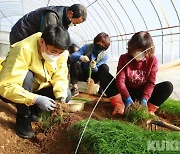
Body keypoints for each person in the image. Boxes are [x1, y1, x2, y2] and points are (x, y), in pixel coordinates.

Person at [0, 25, 71, 139]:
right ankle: (24, 118)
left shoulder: (62, 53)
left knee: (66, 93)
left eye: (60, 53)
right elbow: (6, 86)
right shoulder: (23, 49)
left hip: (40, 86)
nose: (56, 56)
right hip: (19, 87)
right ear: (42, 42)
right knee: (26, 77)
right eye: (53, 51)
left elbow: (61, 75)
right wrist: (36, 99)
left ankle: (35, 112)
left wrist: (61, 96)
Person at [100, 31, 173, 115]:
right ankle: (119, 105)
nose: (138, 53)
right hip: (124, 92)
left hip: (141, 93)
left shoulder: (153, 60)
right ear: (131, 48)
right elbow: (120, 80)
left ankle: (147, 110)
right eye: (135, 50)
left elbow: (150, 82)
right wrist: (127, 97)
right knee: (104, 75)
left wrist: (145, 99)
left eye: (142, 51)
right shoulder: (124, 58)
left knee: (168, 86)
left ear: (148, 50)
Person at [10, 4, 87, 45]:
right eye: (75, 22)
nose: (74, 24)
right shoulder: (52, 15)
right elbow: (49, 38)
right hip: (21, 35)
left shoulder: (64, 19)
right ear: (70, 13)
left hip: (29, 38)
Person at [70, 32, 111, 96]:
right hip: (83, 74)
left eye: (103, 44)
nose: (100, 44)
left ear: (105, 47)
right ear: (96, 41)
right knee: (74, 62)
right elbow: (73, 56)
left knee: (105, 67)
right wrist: (81, 57)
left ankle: (102, 89)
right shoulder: (87, 47)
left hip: (94, 77)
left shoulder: (104, 55)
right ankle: (74, 87)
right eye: (99, 42)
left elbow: (98, 71)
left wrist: (94, 67)